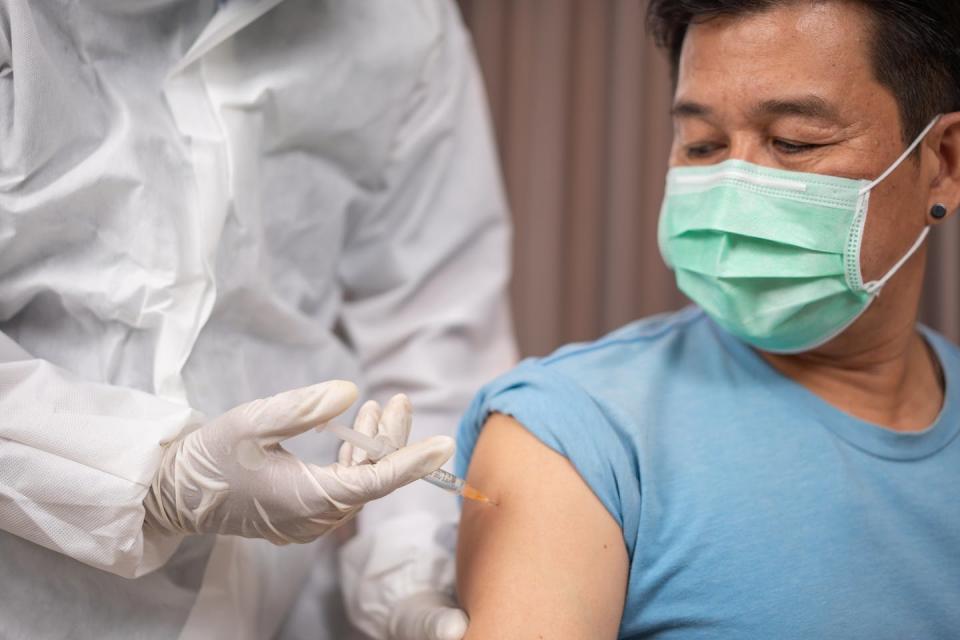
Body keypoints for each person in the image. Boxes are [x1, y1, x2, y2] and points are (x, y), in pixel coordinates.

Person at [0, 1, 515, 639]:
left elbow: (436, 337)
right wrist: (147, 473)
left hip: (268, 605)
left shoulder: (403, 24)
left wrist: (408, 575)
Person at [454, 1, 960, 638]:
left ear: (943, 161)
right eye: (703, 145)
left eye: (793, 142)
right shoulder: (580, 433)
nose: (732, 187)